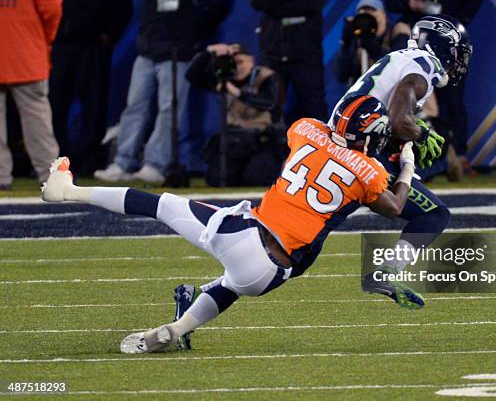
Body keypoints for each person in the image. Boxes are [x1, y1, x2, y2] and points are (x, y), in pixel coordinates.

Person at [41, 95, 421, 353]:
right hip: (273, 275)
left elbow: (327, 140)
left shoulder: (305, 130)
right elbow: (395, 204)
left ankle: (67, 191)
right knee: (231, 285)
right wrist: (406, 164)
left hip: (245, 235)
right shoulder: (370, 171)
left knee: (158, 204)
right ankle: (176, 330)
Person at [331, 15, 472, 281]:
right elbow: (398, 119)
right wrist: (420, 134)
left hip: (340, 146)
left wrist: (406, 135)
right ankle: (387, 272)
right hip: (359, 153)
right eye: (457, 53)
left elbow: (388, 114)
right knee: (434, 215)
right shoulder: (425, 67)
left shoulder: (401, 57)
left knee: (316, 229)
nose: (459, 62)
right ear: (445, 48)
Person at [94, 0, 231, 183]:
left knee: (170, 109)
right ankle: (123, 162)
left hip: (179, 51)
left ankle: (156, 164)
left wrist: (190, 30)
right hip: (147, 49)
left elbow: (217, 5)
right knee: (134, 106)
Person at [385, 0, 482, 180]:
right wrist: (411, 4)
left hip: (446, 40)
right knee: (421, 101)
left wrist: (455, 23)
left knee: (453, 100)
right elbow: (392, 0)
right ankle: (435, 158)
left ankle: (456, 155)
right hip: (417, 38)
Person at [49, 0, 133, 176]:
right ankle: (57, 159)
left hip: (92, 46)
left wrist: (110, 35)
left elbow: (122, 4)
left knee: (94, 106)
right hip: (58, 46)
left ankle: (88, 161)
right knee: (54, 105)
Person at [186, 43, 284, 186]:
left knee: (257, 178)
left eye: (240, 62)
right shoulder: (224, 77)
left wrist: (237, 92)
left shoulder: (267, 76)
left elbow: (269, 102)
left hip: (261, 141)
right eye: (232, 63)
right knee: (216, 179)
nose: (236, 67)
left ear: (251, 60)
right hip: (234, 141)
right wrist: (209, 51)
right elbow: (192, 75)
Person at [0, 0, 62, 191]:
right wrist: (44, 39)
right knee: (38, 123)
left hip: (25, 53)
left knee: (38, 122)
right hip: (27, 55)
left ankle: (1, 177)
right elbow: (52, 7)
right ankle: (51, 177)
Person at [249, 0, 328, 124]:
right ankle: (270, 144)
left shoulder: (275, 10)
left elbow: (316, 0)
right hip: (273, 51)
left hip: (307, 52)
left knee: (313, 105)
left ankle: (321, 143)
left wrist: (275, 4)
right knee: (268, 104)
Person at [334, 0, 411, 85]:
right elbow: (342, 76)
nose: (369, 21)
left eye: (372, 14)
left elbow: (399, 68)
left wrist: (373, 48)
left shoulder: (398, 31)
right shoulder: (357, 39)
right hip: (363, 95)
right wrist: (345, 43)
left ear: (383, 15)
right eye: (364, 17)